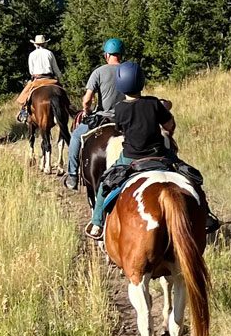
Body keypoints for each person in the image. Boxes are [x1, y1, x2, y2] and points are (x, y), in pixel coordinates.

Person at [84, 60, 215, 240]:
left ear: (121, 84)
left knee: (105, 184)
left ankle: (97, 222)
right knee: (191, 176)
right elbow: (169, 124)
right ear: (141, 81)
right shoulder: (154, 103)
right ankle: (206, 214)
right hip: (160, 155)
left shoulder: (120, 108)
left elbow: (120, 129)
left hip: (131, 158)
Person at [64, 38, 125, 191]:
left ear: (106, 55)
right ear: (121, 54)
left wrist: (87, 110)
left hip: (103, 117)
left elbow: (87, 100)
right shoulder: (129, 70)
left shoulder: (99, 72)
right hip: (126, 118)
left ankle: (72, 175)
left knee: (76, 136)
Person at [15, 34, 62, 123]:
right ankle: (67, 109)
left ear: (35, 44)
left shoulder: (32, 54)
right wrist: (59, 77)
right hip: (50, 79)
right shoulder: (49, 53)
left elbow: (31, 71)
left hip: (37, 79)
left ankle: (24, 112)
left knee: (24, 97)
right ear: (45, 44)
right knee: (63, 94)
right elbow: (56, 69)